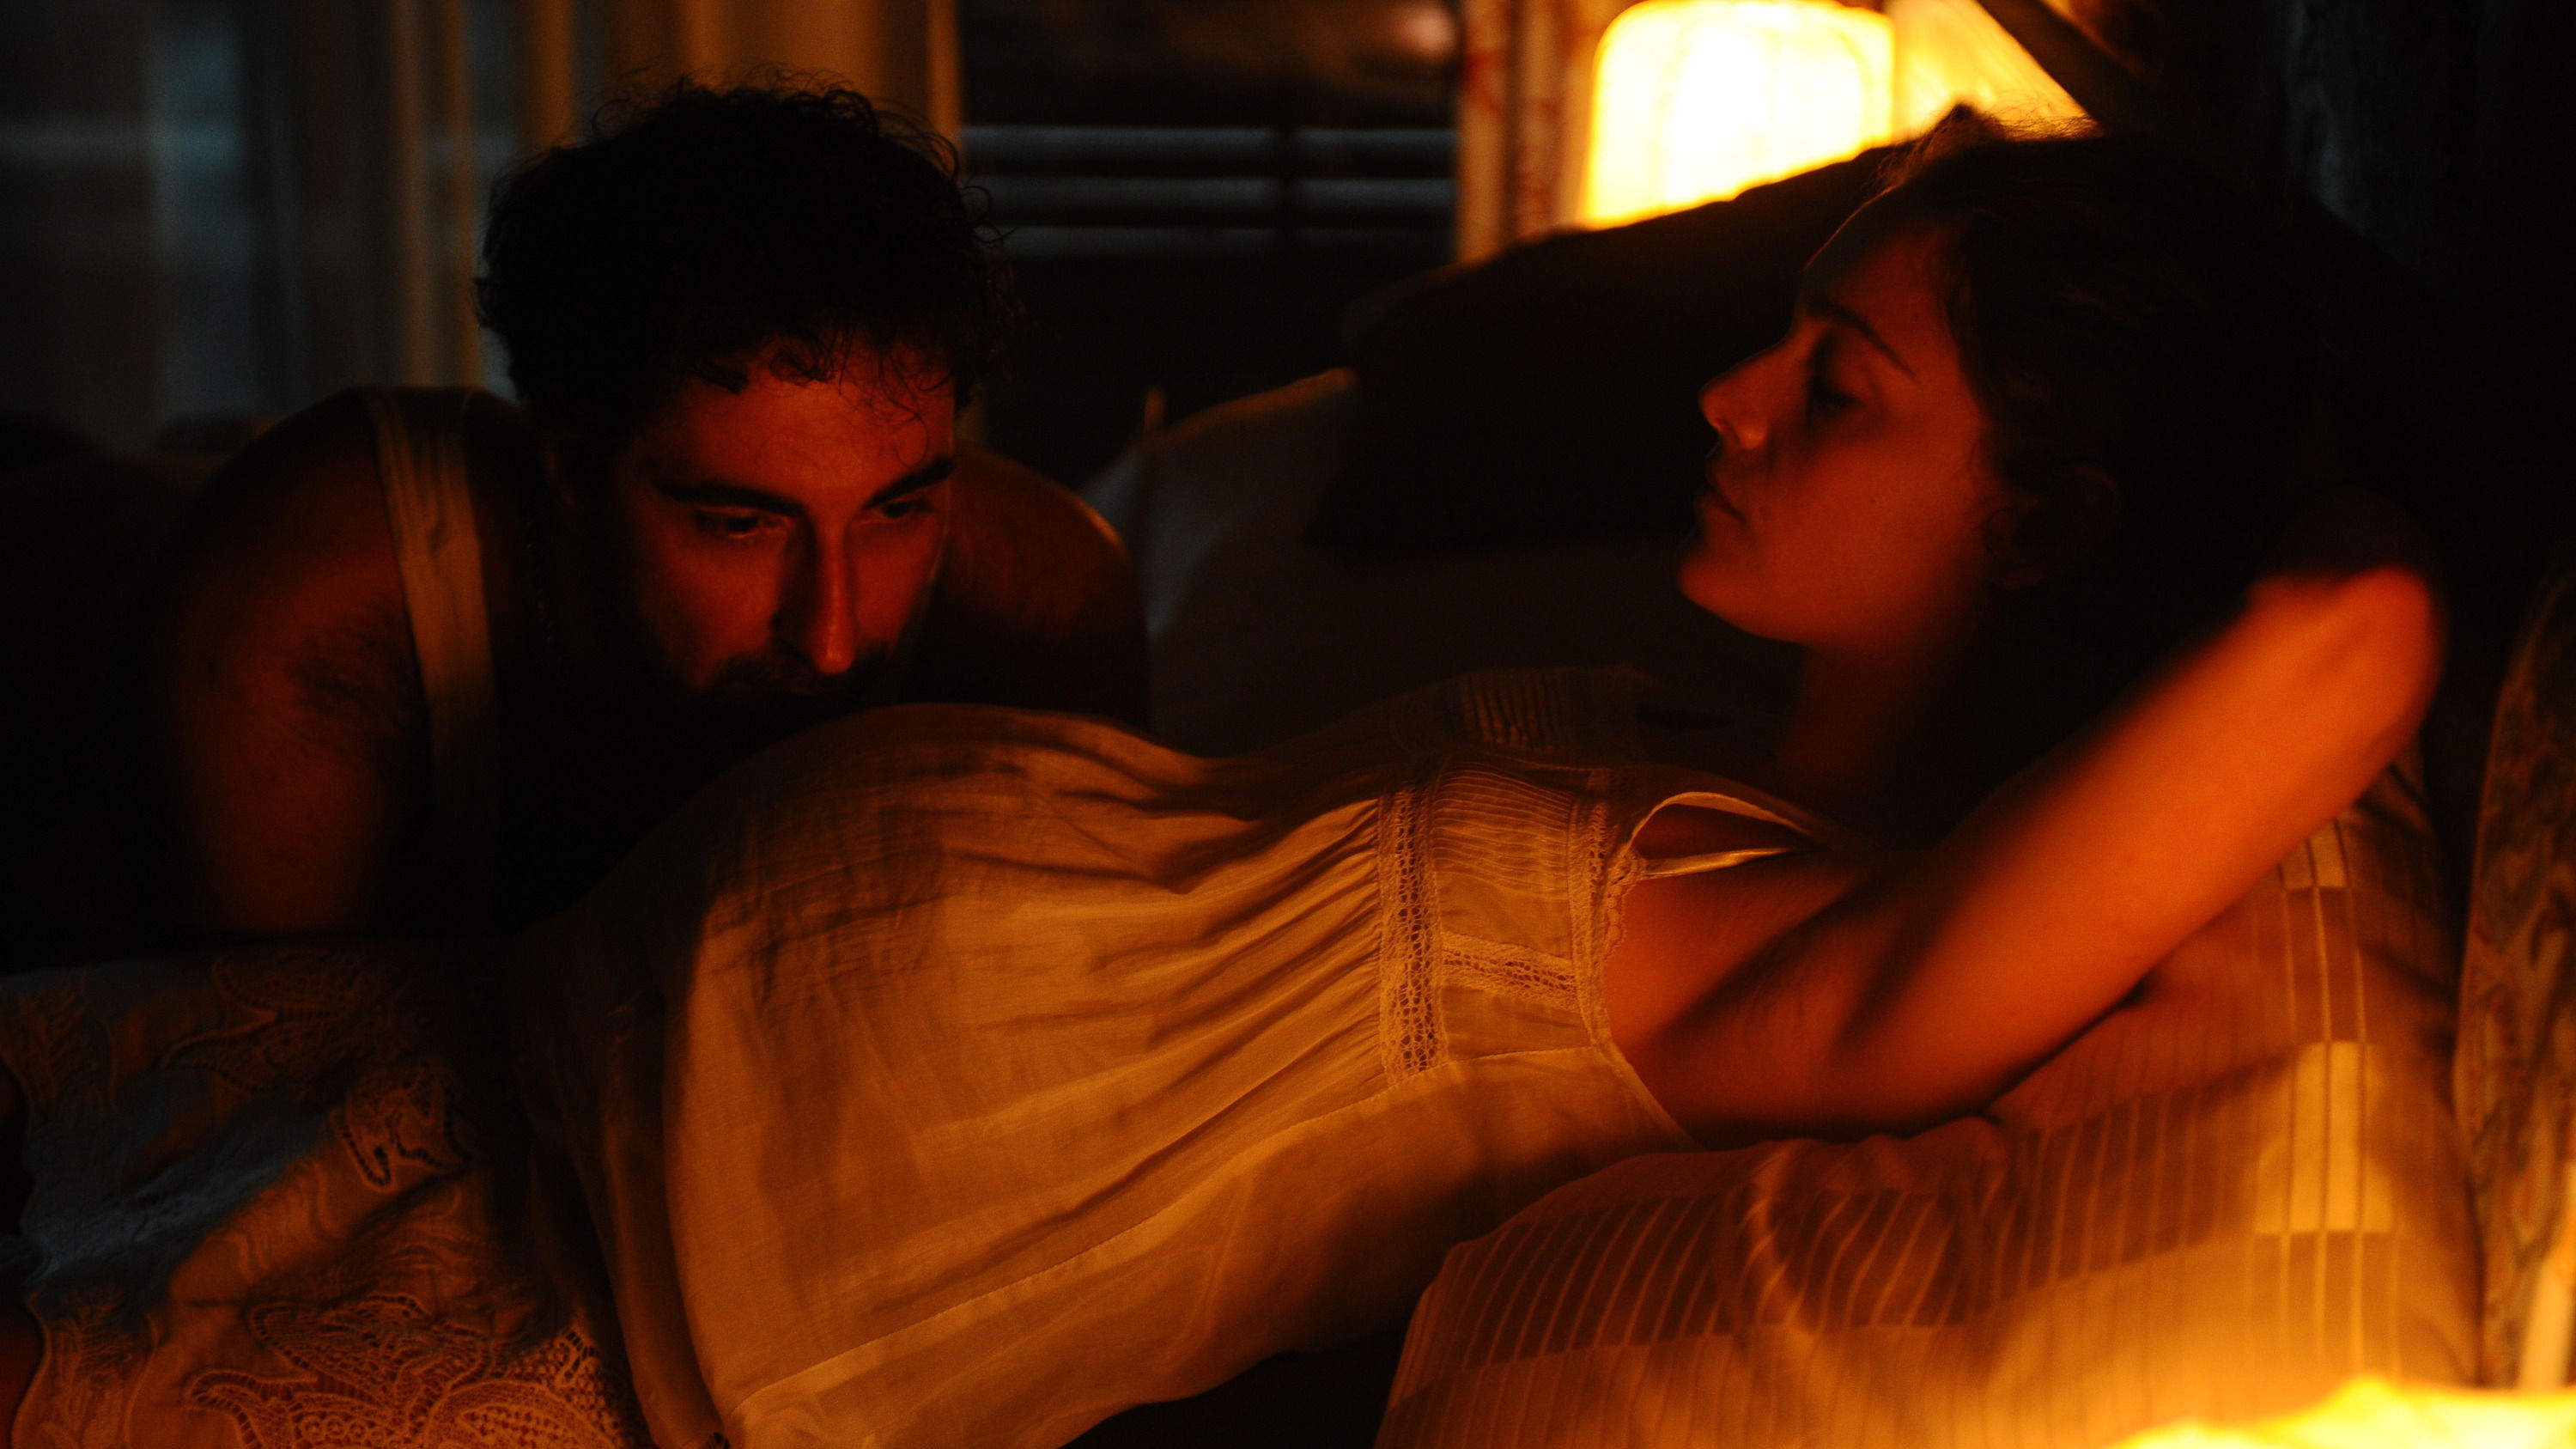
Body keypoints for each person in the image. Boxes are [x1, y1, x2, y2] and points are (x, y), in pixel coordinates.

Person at [0, 129, 2441, 1448]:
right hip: (508, 1045)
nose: (1728, 398)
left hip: (614, 1311)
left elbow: (2355, 628)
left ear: (2047, 520)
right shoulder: (1676, 729)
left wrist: (2304, 448)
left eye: (1843, 386)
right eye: (1780, 336)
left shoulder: (1821, 961)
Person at [141, 81, 1150, 943]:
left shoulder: (1043, 604)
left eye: (898, 511)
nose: (832, 639)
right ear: (573, 470)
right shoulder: (309, 605)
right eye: (740, 525)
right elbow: (261, 1083)